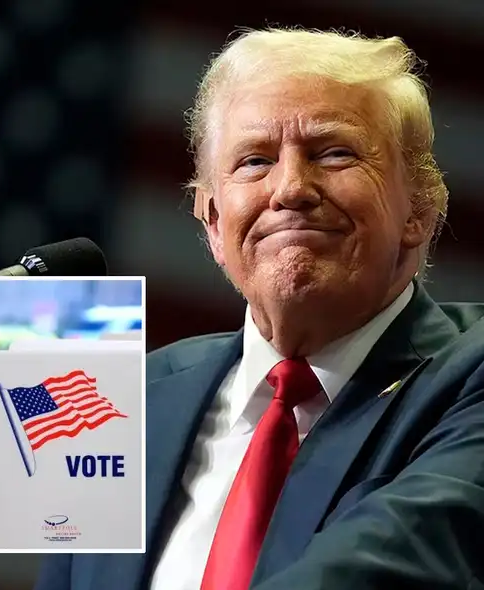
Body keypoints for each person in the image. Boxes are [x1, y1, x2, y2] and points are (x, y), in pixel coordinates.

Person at [34, 27, 483, 590]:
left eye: (334, 152)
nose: (291, 188)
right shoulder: (123, 401)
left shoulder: (469, 376)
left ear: (418, 206)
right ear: (215, 223)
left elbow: (396, 564)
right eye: (253, 161)